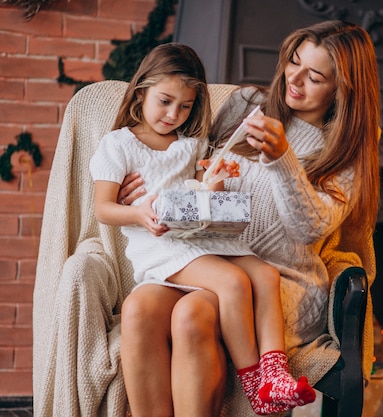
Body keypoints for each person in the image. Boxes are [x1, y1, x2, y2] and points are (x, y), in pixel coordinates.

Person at [118, 20, 381, 416]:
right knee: (139, 307)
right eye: (293, 62)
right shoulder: (245, 105)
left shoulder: (344, 153)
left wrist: (283, 161)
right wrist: (137, 188)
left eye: (314, 75)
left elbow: (311, 228)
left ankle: (263, 383)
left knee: (192, 313)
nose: (295, 79)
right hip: (208, 258)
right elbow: (193, 169)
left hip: (277, 283)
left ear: (342, 87)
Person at [89, 42, 315, 417]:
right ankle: (256, 383)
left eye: (185, 106)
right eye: (164, 101)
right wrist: (139, 214)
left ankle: (275, 370)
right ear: (141, 90)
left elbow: (200, 195)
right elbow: (103, 208)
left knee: (264, 273)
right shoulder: (118, 145)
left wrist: (216, 180)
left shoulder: (189, 145)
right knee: (233, 282)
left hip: (199, 238)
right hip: (162, 246)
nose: (173, 114)